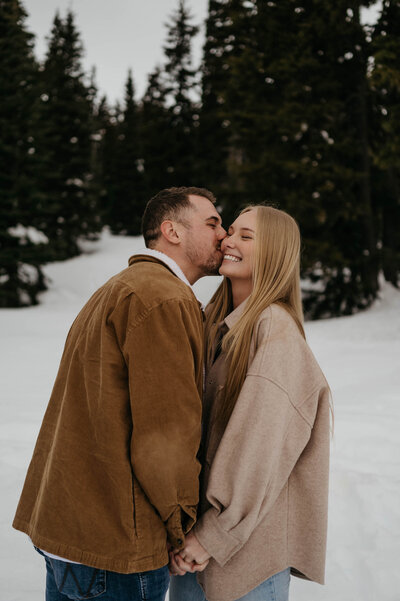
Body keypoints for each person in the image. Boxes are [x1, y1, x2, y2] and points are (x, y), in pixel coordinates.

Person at [12, 187, 226, 601]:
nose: (224, 233)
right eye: (212, 223)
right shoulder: (164, 298)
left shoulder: (123, 286)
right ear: (172, 231)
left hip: (70, 530)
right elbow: (165, 435)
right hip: (114, 543)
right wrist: (183, 526)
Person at [169, 205, 331, 601]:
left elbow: (260, 450)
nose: (228, 240)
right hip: (196, 551)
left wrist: (212, 536)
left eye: (247, 236)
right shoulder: (215, 323)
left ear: (274, 253)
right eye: (231, 232)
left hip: (241, 562)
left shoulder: (275, 332)